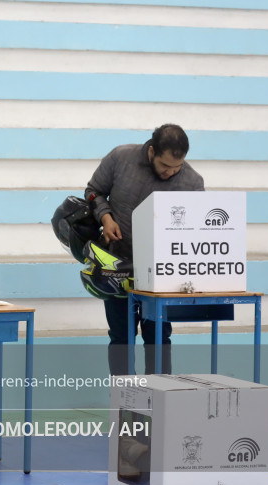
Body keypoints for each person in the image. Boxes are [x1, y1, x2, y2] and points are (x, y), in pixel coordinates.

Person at [85, 124, 205, 375]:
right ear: (151, 152)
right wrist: (105, 216)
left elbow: (198, 230)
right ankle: (122, 404)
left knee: (159, 338)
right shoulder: (120, 158)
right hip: (116, 265)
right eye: (165, 166)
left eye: (177, 167)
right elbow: (93, 191)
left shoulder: (193, 183)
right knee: (121, 338)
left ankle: (159, 405)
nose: (170, 173)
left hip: (163, 274)